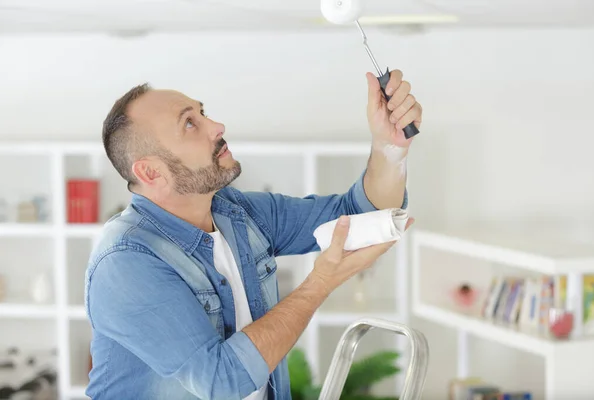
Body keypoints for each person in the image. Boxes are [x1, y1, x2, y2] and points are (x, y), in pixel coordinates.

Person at [84, 69, 422, 400]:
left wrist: (389, 147)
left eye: (202, 113)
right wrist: (320, 282)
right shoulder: (126, 260)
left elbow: (360, 217)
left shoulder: (235, 213)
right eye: (190, 123)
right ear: (151, 172)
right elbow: (222, 381)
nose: (217, 127)